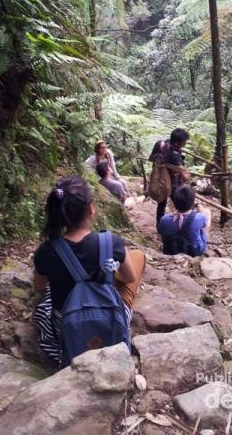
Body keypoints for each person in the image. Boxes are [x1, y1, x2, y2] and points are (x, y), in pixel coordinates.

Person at [33, 175, 145, 363]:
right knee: (138, 256)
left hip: (68, 327)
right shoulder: (111, 242)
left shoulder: (46, 252)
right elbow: (129, 277)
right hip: (109, 320)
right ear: (91, 208)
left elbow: (39, 287)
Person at [149, 128, 190, 227]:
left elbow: (151, 158)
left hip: (160, 180)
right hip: (172, 184)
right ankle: (184, 226)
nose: (184, 145)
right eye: (183, 143)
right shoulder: (175, 156)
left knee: (161, 203)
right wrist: (185, 172)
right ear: (176, 143)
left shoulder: (160, 144)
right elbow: (185, 177)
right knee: (181, 205)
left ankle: (160, 227)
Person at [158, 185, 211, 257]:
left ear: (174, 203)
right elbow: (204, 215)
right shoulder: (198, 218)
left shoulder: (164, 219)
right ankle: (203, 240)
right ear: (192, 202)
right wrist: (199, 205)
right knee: (207, 213)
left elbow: (162, 233)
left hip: (171, 250)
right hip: (194, 251)